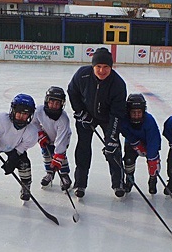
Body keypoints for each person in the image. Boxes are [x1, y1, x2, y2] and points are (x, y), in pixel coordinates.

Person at [67, 47, 128, 198]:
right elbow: (72, 91)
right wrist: (80, 112)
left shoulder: (118, 84)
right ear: (93, 66)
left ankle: (118, 183)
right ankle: (80, 183)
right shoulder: (82, 75)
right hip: (86, 115)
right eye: (98, 66)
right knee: (83, 148)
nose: (102, 70)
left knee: (113, 149)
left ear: (111, 67)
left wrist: (112, 136)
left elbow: (117, 112)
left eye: (106, 67)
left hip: (108, 118)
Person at [0, 94, 38, 202]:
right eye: (19, 112)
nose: (21, 116)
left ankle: (26, 187)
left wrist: (15, 156)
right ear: (13, 110)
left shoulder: (31, 131)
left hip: (14, 146)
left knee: (24, 164)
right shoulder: (0, 119)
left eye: (25, 114)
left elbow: (26, 144)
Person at [32, 86, 72, 191]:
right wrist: (40, 134)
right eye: (52, 102)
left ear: (62, 104)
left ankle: (64, 175)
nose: (54, 105)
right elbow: (33, 123)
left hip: (62, 139)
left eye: (57, 103)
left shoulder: (63, 119)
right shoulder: (39, 111)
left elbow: (61, 139)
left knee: (60, 157)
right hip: (47, 137)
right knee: (46, 155)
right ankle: (49, 173)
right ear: (47, 101)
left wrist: (58, 155)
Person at [119, 93, 161, 194]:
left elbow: (154, 140)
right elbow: (124, 131)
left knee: (153, 165)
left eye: (139, 112)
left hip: (149, 143)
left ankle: (152, 180)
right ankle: (129, 180)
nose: (136, 115)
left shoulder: (149, 121)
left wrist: (152, 158)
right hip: (131, 142)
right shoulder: (124, 119)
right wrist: (135, 143)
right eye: (133, 112)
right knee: (128, 161)